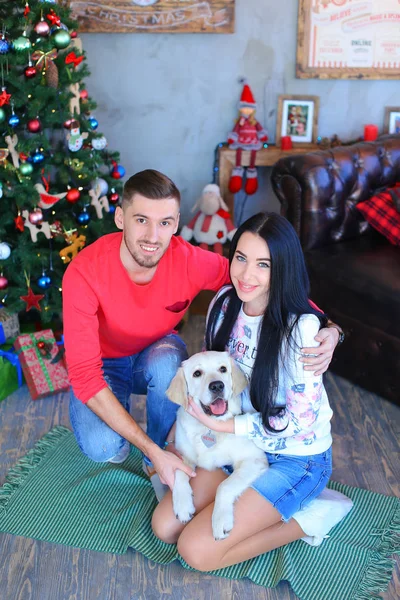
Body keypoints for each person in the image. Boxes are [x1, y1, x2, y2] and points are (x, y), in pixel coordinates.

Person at [62, 170, 340, 499]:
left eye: (165, 222)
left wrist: (327, 325)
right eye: (141, 220)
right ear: (121, 217)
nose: (153, 235)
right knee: (101, 446)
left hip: (155, 355)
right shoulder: (85, 271)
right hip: (104, 364)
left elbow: (253, 280)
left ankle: (164, 454)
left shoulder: (187, 260)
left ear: (177, 222)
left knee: (169, 362)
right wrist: (150, 448)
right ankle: (152, 451)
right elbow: (84, 376)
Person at [152, 212, 340, 572]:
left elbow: (298, 424)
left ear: (282, 269)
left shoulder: (301, 330)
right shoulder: (225, 305)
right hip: (238, 448)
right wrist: (178, 440)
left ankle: (311, 517)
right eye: (241, 258)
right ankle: (246, 502)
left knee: (197, 552)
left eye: (263, 264)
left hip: (297, 458)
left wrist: (226, 428)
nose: (246, 275)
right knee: (165, 527)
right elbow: (208, 377)